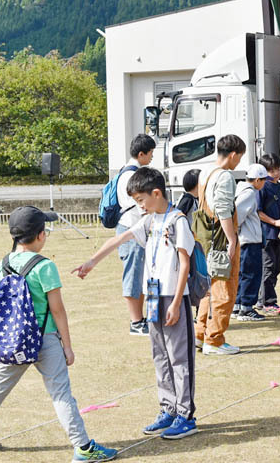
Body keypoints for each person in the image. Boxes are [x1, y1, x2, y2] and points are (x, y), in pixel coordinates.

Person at [0, 206, 118, 460]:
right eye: (45, 231)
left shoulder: (1, 265)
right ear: (39, 235)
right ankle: (82, 447)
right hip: (46, 338)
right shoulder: (44, 266)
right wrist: (68, 347)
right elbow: (57, 311)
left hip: (15, 341)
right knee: (60, 394)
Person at [75, 168, 198, 439]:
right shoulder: (149, 221)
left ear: (156, 193)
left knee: (179, 357)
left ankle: (186, 415)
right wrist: (91, 262)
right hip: (152, 296)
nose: (139, 205)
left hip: (173, 295)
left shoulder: (177, 220)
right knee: (160, 355)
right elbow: (120, 238)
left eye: (141, 200)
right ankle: (168, 409)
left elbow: (185, 263)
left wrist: (177, 303)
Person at [194, 135, 245, 355]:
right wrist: (232, 240)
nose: (239, 162)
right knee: (225, 288)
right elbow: (223, 210)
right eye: (239, 157)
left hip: (205, 238)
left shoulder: (206, 172)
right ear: (233, 154)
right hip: (221, 240)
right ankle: (214, 340)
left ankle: (199, 334)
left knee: (208, 289)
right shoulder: (225, 177)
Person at [117, 134, 156, 336]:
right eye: (150, 153)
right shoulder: (128, 175)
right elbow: (133, 206)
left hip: (137, 231)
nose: (151, 157)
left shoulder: (134, 172)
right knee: (132, 276)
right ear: (141, 154)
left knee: (140, 274)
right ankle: (135, 322)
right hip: (130, 230)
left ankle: (141, 319)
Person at [233, 164, 270, 322]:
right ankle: (246, 308)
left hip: (246, 239)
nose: (264, 184)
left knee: (243, 273)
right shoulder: (248, 193)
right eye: (263, 180)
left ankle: (238, 305)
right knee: (251, 274)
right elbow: (238, 215)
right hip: (248, 240)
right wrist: (237, 231)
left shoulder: (242, 190)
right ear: (256, 180)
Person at [257, 153, 280, 315]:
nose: (276, 173)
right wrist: (274, 222)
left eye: (278, 169)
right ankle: (269, 302)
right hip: (265, 233)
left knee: (276, 268)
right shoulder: (262, 187)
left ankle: (261, 299)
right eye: (271, 170)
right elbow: (258, 212)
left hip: (279, 234)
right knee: (268, 268)